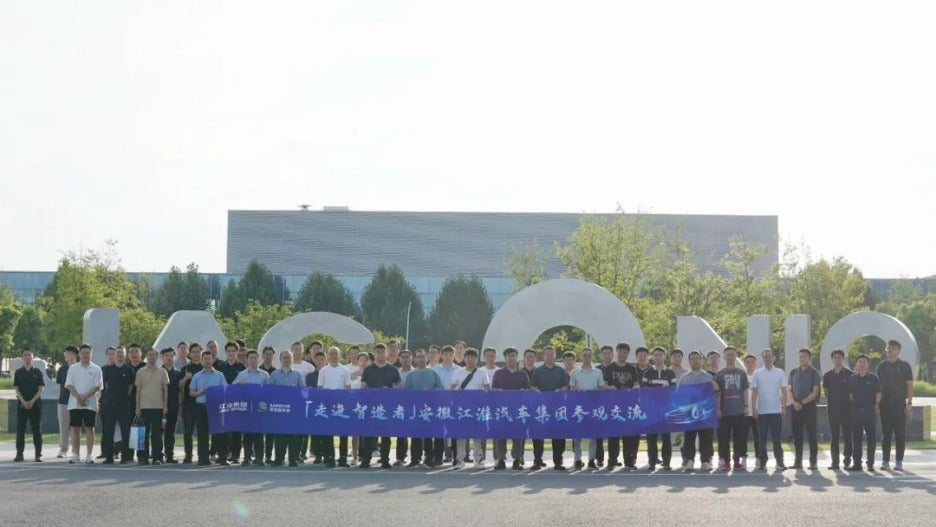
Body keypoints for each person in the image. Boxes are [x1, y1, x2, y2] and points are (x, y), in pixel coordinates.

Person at [360, 343, 402, 468]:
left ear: (386, 353)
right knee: (368, 435)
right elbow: (363, 387)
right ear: (375, 353)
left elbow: (399, 386)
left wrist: (389, 390)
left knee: (385, 436)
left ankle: (385, 460)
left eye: (382, 351)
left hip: (387, 407)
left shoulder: (392, 369)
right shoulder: (368, 369)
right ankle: (366, 460)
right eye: (377, 351)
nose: (380, 353)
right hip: (371, 407)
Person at [877, 339, 914, 471]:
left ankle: (899, 462)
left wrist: (909, 403)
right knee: (885, 435)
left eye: (893, 348)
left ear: (898, 350)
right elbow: (878, 388)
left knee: (900, 435)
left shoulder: (905, 366)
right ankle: (885, 461)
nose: (890, 350)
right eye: (888, 348)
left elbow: (910, 386)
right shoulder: (881, 366)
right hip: (885, 405)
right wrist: (877, 404)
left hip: (900, 406)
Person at [531, 345, 570, 471]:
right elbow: (533, 387)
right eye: (547, 354)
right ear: (543, 356)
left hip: (557, 408)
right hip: (541, 408)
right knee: (538, 435)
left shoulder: (560, 371)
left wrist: (560, 390)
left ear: (555, 356)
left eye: (552, 354)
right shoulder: (538, 371)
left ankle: (558, 461)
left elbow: (566, 387)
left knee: (558, 435)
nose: (549, 356)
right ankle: (537, 460)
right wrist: (536, 391)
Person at [404, 349, 445, 467]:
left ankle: (429, 458)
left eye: (423, 357)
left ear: (426, 358)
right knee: (415, 435)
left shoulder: (433, 373)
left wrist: (431, 391)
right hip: (415, 409)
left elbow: (441, 389)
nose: (421, 359)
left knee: (429, 435)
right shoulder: (411, 375)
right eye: (418, 357)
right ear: (415, 359)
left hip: (430, 409)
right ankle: (415, 459)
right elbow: (406, 392)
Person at [492, 347, 531, 470]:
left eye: (513, 355)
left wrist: (524, 391)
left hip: (518, 410)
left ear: (517, 357)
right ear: (505, 358)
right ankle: (501, 459)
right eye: (509, 356)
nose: (511, 358)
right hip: (503, 410)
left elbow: (528, 390)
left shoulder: (522, 374)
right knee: (501, 436)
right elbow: (493, 390)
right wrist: (497, 391)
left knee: (518, 436)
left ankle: (517, 459)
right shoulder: (499, 373)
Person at [451, 348, 490, 469]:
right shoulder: (458, 372)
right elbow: (452, 389)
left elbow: (487, 389)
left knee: (477, 435)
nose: (470, 359)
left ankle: (478, 460)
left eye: (473, 357)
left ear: (476, 359)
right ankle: (460, 460)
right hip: (462, 408)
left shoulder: (482, 372)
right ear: (464, 358)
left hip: (477, 408)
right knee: (461, 435)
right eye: (468, 357)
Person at [65, 344, 103, 464]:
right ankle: (75, 454)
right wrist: (78, 397)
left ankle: (89, 454)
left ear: (91, 354)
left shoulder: (96, 368)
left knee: (89, 429)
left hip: (90, 403)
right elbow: (69, 384)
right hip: (74, 403)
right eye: (83, 353)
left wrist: (85, 397)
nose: (85, 355)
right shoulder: (73, 368)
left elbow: (97, 386)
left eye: (88, 353)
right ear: (79, 354)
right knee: (75, 429)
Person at [189, 351, 229, 466]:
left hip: (216, 407)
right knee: (202, 434)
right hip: (202, 407)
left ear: (213, 360)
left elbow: (225, 390)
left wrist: (216, 391)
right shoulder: (197, 376)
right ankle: (203, 458)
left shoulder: (219, 375)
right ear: (201, 361)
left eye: (209, 359)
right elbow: (191, 392)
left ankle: (222, 458)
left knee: (221, 433)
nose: (207, 361)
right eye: (205, 359)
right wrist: (199, 392)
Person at [603, 342, 639, 470]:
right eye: (620, 351)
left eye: (625, 352)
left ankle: (629, 461)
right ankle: (612, 460)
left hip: (627, 406)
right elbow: (604, 384)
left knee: (628, 435)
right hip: (613, 406)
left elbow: (636, 383)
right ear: (616, 352)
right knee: (613, 435)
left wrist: (635, 387)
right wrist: (609, 387)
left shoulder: (631, 368)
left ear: (628, 354)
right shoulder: (609, 368)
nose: (622, 354)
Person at [751, 348, 787, 471]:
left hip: (776, 411)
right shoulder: (757, 373)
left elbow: (783, 391)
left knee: (777, 438)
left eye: (770, 356)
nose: (768, 358)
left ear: (774, 358)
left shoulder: (780, 372)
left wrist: (784, 407)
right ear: (762, 359)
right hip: (761, 411)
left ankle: (780, 462)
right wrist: (754, 409)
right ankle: (762, 461)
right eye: (765, 356)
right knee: (762, 439)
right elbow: (754, 392)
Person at [570, 347, 606, 470]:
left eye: (589, 355)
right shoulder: (574, 372)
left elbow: (602, 388)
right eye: (584, 355)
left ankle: (591, 460)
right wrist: (574, 390)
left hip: (593, 407)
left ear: (592, 357)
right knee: (577, 436)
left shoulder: (598, 372)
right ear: (580, 357)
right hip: (579, 408)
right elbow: (571, 389)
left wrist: (598, 390)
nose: (586, 357)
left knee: (593, 436)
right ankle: (577, 459)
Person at [641, 346, 676, 471]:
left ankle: (666, 462)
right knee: (651, 438)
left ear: (664, 357)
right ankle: (651, 463)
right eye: (655, 355)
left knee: (666, 438)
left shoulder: (670, 373)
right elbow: (644, 391)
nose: (658, 357)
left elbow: (674, 391)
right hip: (652, 410)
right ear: (653, 357)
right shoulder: (648, 372)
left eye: (660, 355)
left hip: (666, 410)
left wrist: (667, 390)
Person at [679, 351, 715, 471]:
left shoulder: (708, 377)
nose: (695, 361)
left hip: (705, 412)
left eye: (697, 358)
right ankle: (689, 460)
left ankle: (705, 460)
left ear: (702, 360)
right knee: (689, 437)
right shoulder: (684, 378)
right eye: (693, 359)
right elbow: (680, 396)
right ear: (689, 361)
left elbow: (715, 393)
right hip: (689, 412)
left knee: (706, 437)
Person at [233, 349, 271, 466]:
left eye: (255, 358)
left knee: (259, 435)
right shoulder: (241, 374)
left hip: (259, 408)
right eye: (251, 358)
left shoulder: (265, 375)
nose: (253, 360)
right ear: (247, 360)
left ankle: (260, 458)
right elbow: (233, 388)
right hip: (246, 408)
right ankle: (247, 457)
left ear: (259, 359)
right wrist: (238, 386)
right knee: (247, 435)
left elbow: (269, 391)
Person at [715, 346, 749, 471]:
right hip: (725, 412)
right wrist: (718, 409)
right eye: (728, 355)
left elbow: (745, 390)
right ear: (724, 357)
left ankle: (737, 460)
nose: (730, 357)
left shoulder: (741, 373)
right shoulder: (720, 374)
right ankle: (726, 461)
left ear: (736, 356)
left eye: (733, 354)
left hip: (739, 410)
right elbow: (718, 393)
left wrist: (746, 405)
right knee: (723, 439)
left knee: (739, 438)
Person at [134, 348, 169, 465]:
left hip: (158, 407)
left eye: (153, 355)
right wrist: (137, 407)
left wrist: (165, 406)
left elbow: (165, 390)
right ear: (146, 356)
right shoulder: (140, 372)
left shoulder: (162, 371)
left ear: (157, 357)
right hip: (144, 407)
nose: (151, 357)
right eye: (149, 355)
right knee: (142, 434)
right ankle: (142, 457)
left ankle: (157, 457)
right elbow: (138, 390)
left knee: (157, 435)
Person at [317, 346, 350, 467]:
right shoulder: (323, 370)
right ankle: (329, 457)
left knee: (343, 433)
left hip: (341, 406)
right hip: (327, 405)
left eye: (336, 354)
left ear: (339, 355)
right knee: (328, 433)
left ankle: (343, 458)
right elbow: (319, 388)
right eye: (331, 354)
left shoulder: (345, 370)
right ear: (328, 356)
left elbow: (348, 388)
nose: (333, 356)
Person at [101, 345, 135, 464]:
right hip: (110, 405)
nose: (120, 354)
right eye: (118, 352)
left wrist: (124, 398)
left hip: (124, 405)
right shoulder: (108, 369)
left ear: (125, 355)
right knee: (108, 431)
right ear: (114, 354)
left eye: (122, 352)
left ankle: (124, 457)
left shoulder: (129, 369)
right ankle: (109, 456)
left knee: (125, 432)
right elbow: (106, 385)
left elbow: (130, 387)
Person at [788, 348, 821, 470]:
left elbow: (815, 392)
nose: (802, 359)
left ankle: (813, 462)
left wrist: (801, 403)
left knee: (812, 435)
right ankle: (798, 462)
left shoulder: (814, 373)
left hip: (809, 407)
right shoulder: (793, 372)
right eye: (801, 357)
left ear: (809, 358)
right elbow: (789, 390)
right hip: (795, 407)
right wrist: (794, 402)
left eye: (805, 357)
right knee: (797, 436)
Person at [848, 354, 881, 472]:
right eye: (859, 362)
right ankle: (857, 463)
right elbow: (850, 395)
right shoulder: (852, 378)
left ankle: (870, 463)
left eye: (864, 362)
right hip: (856, 412)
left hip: (870, 411)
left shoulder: (873, 378)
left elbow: (878, 394)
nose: (862, 364)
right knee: (856, 439)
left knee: (871, 439)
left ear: (868, 364)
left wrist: (876, 406)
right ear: (856, 364)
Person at [823, 349, 853, 470]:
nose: (837, 360)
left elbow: (852, 393)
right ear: (832, 359)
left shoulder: (850, 374)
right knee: (834, 437)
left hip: (847, 410)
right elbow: (826, 392)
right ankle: (835, 462)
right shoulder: (828, 375)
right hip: (833, 410)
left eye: (839, 358)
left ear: (843, 359)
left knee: (847, 436)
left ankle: (847, 460)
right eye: (834, 358)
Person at [217, 341, 247, 463]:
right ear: (225, 352)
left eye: (233, 351)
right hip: (223, 402)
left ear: (237, 352)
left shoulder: (242, 368)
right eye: (229, 351)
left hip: (237, 403)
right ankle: (222, 455)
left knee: (236, 431)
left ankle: (235, 456)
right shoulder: (220, 367)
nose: (231, 353)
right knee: (223, 431)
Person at [14, 348, 45, 462]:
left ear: (33, 357)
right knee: (20, 430)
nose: (27, 357)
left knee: (36, 430)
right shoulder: (19, 372)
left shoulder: (37, 372)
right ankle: (19, 454)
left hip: (35, 405)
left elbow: (41, 388)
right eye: (25, 355)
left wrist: (32, 401)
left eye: (29, 355)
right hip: (22, 405)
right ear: (22, 357)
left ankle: (38, 454)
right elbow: (16, 389)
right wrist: (23, 401)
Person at [432, 345, 462, 464]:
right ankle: (438, 457)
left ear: (453, 355)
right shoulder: (435, 370)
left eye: (450, 354)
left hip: (454, 404)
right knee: (439, 432)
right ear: (441, 355)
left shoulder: (459, 370)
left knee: (454, 431)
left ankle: (456, 457)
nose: (448, 357)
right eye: (445, 354)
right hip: (439, 404)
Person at [179, 343, 203, 464]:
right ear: (190, 354)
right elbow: (179, 386)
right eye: (193, 352)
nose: (196, 354)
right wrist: (185, 378)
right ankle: (188, 455)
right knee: (188, 432)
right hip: (188, 404)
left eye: (198, 352)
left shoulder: (205, 368)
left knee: (201, 432)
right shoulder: (185, 369)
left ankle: (202, 455)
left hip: (202, 405)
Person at [594, 345, 615, 468]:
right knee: (599, 434)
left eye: (609, 353)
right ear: (601, 355)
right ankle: (599, 459)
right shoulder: (596, 370)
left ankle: (612, 459)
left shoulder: (617, 368)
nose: (607, 355)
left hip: (613, 406)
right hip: (598, 405)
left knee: (613, 435)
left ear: (613, 355)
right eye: (604, 353)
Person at [160, 347, 182, 463]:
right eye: (166, 355)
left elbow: (180, 391)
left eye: (171, 355)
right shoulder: (158, 372)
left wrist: (180, 407)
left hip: (173, 406)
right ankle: (157, 455)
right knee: (158, 432)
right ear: (162, 358)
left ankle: (169, 455)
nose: (169, 358)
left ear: (175, 357)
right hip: (158, 406)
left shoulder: (178, 373)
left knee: (170, 432)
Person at [306, 350, 329, 464]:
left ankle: (326, 454)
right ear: (313, 360)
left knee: (326, 432)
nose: (320, 361)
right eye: (317, 359)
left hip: (328, 406)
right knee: (315, 433)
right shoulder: (310, 376)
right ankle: (317, 454)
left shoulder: (329, 374)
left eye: (322, 359)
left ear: (326, 360)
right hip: (315, 407)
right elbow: (308, 392)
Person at [55, 345, 78, 458]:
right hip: (63, 401)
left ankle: (75, 449)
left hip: (77, 401)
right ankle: (63, 449)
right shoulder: (62, 369)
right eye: (65, 354)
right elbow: (60, 384)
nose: (66, 356)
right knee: (63, 426)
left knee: (75, 427)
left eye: (68, 354)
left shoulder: (79, 368)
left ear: (74, 355)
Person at [348, 351, 370, 465]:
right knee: (355, 433)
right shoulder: (352, 374)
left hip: (368, 406)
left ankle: (365, 456)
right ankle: (355, 457)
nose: (363, 362)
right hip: (355, 405)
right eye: (361, 360)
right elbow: (349, 388)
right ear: (357, 361)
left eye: (365, 360)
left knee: (366, 433)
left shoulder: (372, 374)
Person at [394, 348, 414, 467]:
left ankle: (416, 458)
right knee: (401, 433)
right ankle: (400, 457)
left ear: (412, 358)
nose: (405, 359)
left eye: (408, 356)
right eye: (403, 357)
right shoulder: (396, 372)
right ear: (399, 359)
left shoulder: (417, 371)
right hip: (400, 406)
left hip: (414, 405)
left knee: (416, 433)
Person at [742, 354, 759, 465]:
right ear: (745, 364)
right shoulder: (742, 376)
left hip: (758, 411)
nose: (750, 364)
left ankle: (759, 457)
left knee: (758, 436)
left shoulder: (760, 376)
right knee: (743, 436)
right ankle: (743, 457)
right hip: (745, 411)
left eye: (752, 362)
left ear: (755, 363)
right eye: (748, 362)